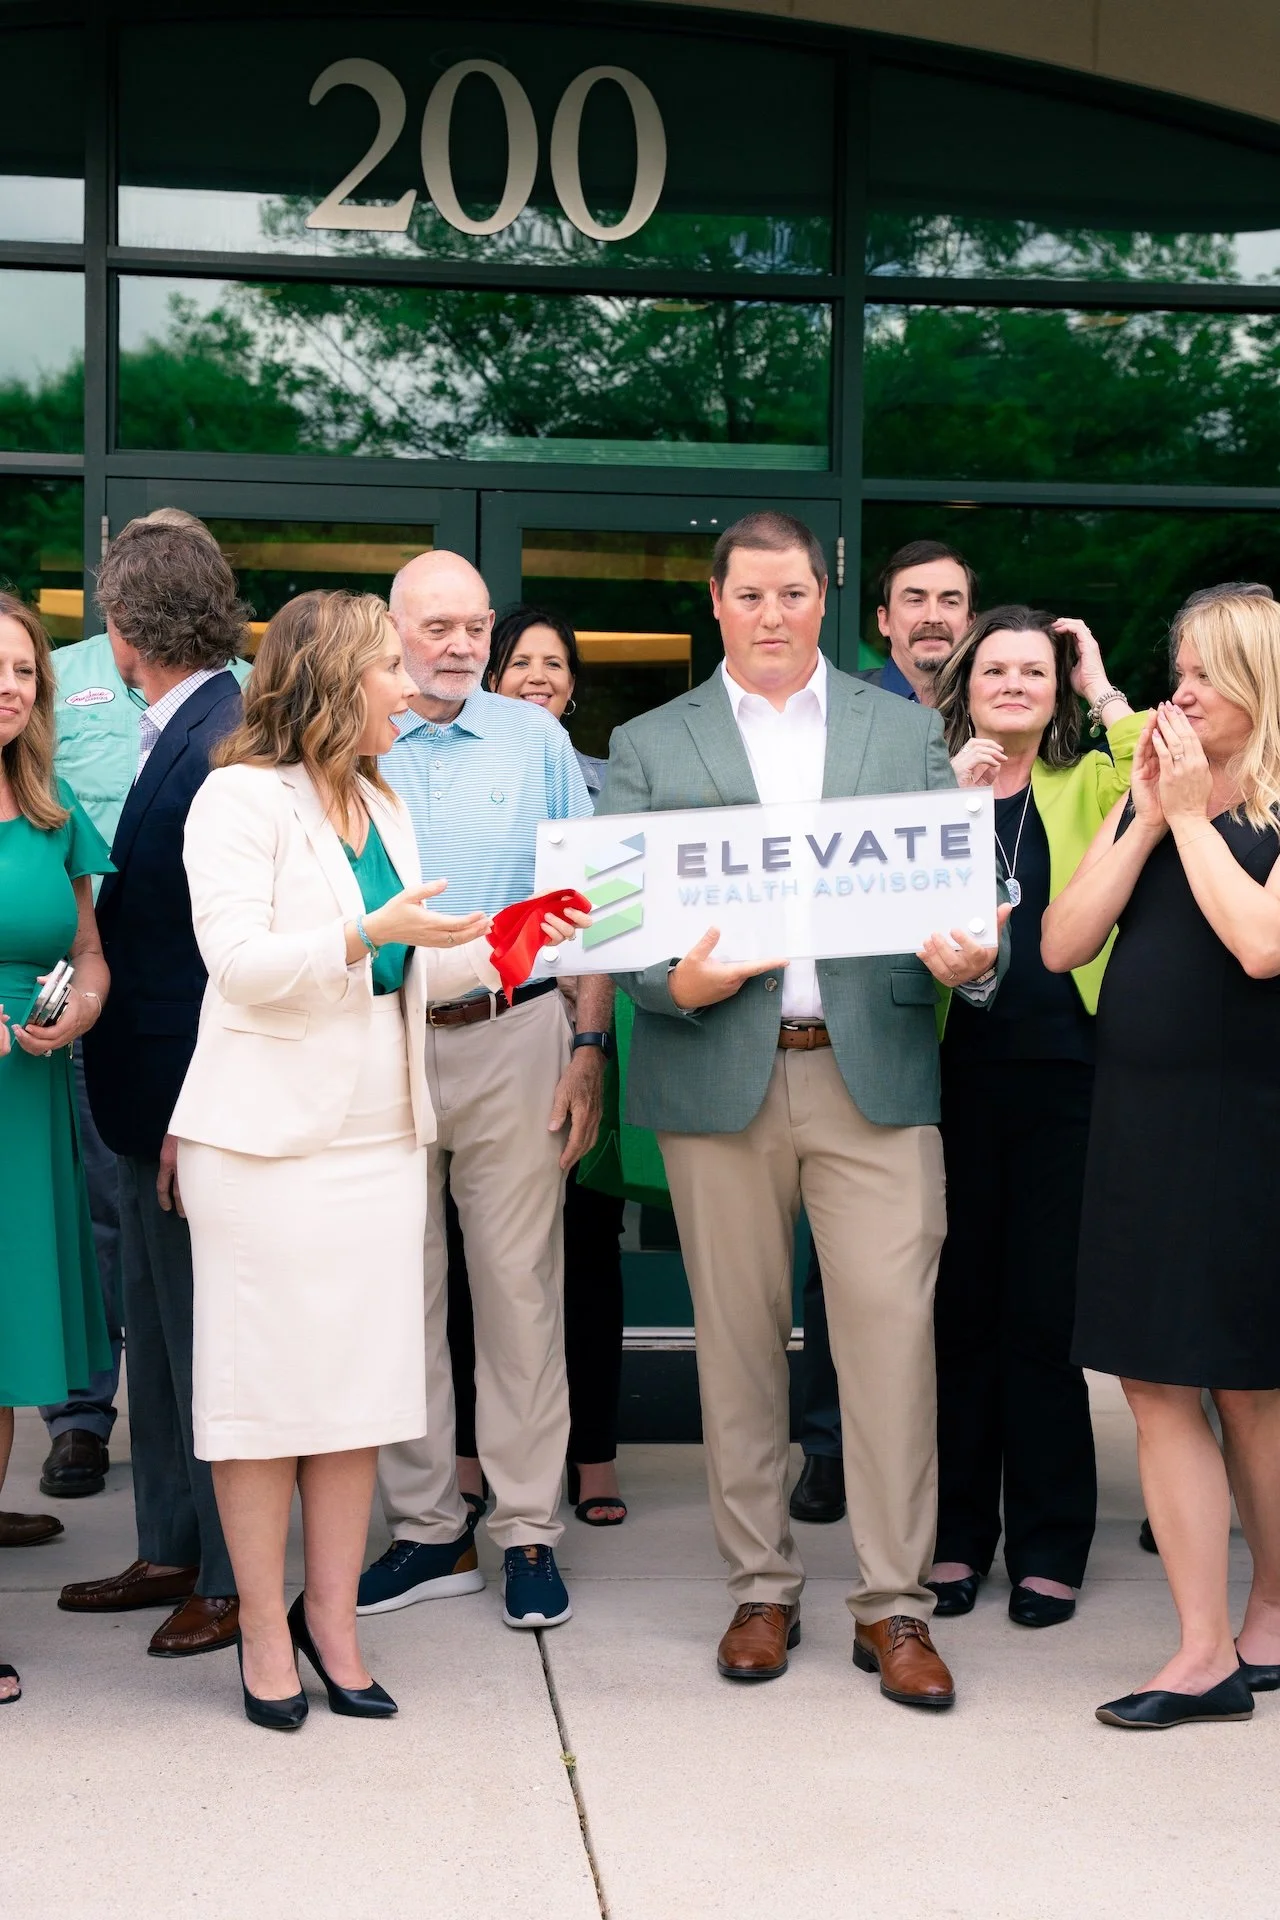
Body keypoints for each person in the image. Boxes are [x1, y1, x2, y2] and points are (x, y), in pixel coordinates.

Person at [597, 510, 1008, 1707]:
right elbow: (617, 924)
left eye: (792, 594)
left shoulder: (901, 730)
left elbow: (961, 900)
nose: (772, 616)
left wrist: (965, 960)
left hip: (871, 1071)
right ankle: (760, 1589)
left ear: (824, 598)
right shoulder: (646, 741)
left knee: (889, 1345)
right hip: (715, 1070)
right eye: (750, 596)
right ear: (714, 603)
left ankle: (892, 1606)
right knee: (734, 1347)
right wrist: (670, 984)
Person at [169, 590, 584, 1729]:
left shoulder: (381, 801)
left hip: (376, 1139)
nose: (412, 687)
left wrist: (517, 943)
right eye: (389, 671)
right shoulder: (236, 799)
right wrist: (368, 933)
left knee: (355, 1402)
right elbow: (241, 964)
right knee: (265, 1405)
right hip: (261, 1147)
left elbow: (418, 970)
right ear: (333, 680)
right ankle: (263, 1638)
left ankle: (335, 1630)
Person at [358, 552, 610, 1632]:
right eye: (438, 627)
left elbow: (588, 899)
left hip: (516, 1034)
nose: (460, 646)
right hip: (380, 1041)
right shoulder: (350, 736)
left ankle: (523, 1532)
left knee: (519, 1293)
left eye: (476, 626)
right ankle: (425, 1529)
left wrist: (588, 1043)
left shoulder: (534, 737)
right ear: (393, 631)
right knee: (398, 1294)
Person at [1044, 590, 1280, 1730]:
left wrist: (1186, 818)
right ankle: (1200, 1652)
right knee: (1149, 1379)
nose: (1174, 696)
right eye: (1171, 673)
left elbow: (1259, 941)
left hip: (1249, 1128)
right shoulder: (1152, 791)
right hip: (1137, 1122)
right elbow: (1059, 941)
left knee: (1249, 1387)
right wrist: (1142, 818)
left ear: (1258, 681)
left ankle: (1271, 1611)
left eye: (1197, 678)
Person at [923, 607, 1138, 1627]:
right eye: (995, 669)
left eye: (1035, 672)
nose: (1014, 684)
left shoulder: (1089, 778)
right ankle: (957, 1539)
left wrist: (1101, 684)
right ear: (963, 684)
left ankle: (1050, 1544)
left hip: (1067, 1082)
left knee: (1043, 1321)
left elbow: (1157, 769)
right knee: (957, 1316)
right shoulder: (926, 791)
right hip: (947, 1080)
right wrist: (949, 810)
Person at [59, 519, 244, 1659]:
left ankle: (225, 1577)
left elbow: (225, 958)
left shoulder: (225, 737)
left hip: (190, 1110)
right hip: (143, 1102)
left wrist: (193, 1114)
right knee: (161, 1354)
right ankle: (170, 1547)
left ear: (126, 632)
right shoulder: (180, 726)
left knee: (205, 1347)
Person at [792, 537, 978, 1528]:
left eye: (951, 599)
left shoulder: (1005, 702)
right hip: (863, 1016)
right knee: (840, 1255)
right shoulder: (839, 721)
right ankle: (826, 1447)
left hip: (976, 1028)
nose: (933, 616)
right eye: (915, 600)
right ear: (882, 621)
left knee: (948, 1253)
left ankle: (938, 1450)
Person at [0, 593, 115, 1700]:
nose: (11, 687)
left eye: (26, 671)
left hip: (21, 1104)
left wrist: (78, 1008)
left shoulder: (50, 804)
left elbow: (87, 951)